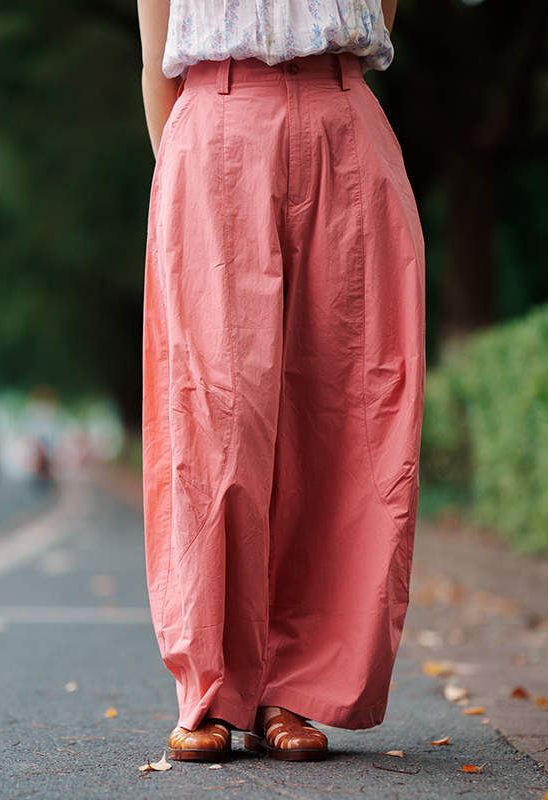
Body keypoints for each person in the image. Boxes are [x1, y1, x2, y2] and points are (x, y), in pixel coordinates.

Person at [138, 0, 425, 763]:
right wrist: (183, 172)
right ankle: (211, 686)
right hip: (214, 117)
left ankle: (296, 687)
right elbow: (154, 46)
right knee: (216, 417)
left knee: (345, 411)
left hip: (343, 118)